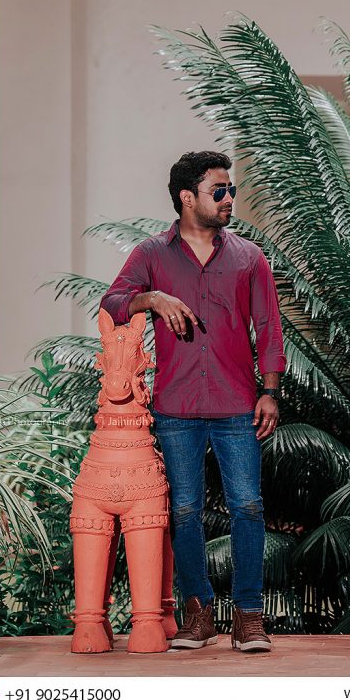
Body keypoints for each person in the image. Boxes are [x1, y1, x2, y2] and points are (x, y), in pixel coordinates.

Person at [100, 151, 286, 653]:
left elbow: (269, 328)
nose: (229, 198)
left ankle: (249, 618)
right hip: (176, 407)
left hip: (237, 405)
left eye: (231, 189)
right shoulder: (152, 255)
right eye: (219, 190)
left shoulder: (249, 257)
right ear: (188, 197)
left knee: (248, 507)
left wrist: (270, 392)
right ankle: (198, 616)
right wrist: (153, 298)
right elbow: (113, 302)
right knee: (184, 511)